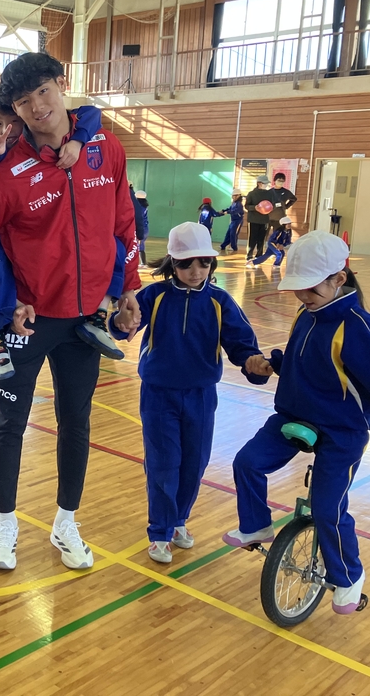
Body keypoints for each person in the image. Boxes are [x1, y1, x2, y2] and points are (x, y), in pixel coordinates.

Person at [0, 53, 141, 571]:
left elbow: (123, 222)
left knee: (76, 423)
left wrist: (129, 286)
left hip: (85, 321)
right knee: (9, 424)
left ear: (61, 85)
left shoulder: (105, 150)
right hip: (28, 321)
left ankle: (66, 523)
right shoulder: (4, 177)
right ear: (13, 110)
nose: (37, 107)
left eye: (43, 91)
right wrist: (7, 303)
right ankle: (4, 526)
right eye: (23, 101)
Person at [223, 230, 370, 615]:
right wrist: (271, 365)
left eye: (310, 288)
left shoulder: (356, 327)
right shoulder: (307, 313)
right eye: (298, 288)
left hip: (342, 431)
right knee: (247, 463)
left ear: (339, 278)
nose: (302, 296)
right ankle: (257, 524)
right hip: (295, 414)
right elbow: (304, 362)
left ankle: (348, 577)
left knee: (328, 509)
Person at [109, 223, 269, 563]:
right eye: (186, 264)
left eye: (203, 262)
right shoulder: (154, 296)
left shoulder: (221, 301)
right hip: (158, 396)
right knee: (163, 463)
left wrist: (253, 363)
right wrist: (120, 321)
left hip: (201, 396)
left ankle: (178, 519)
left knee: (194, 464)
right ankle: (160, 532)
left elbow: (242, 345)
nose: (196, 271)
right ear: (172, 263)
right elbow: (124, 325)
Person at [0, 86, 120, 381]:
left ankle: (100, 313)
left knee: (112, 247)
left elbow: (92, 113)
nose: (7, 130)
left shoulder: (71, 140)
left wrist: (78, 141)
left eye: (13, 122)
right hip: (4, 237)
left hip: (58, 271)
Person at [244, 174, 274, 261]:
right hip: (253, 220)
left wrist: (270, 208)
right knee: (252, 238)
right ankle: (249, 255)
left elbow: (272, 205)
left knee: (262, 238)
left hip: (264, 220)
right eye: (265, 183)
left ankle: (259, 255)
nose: (266, 185)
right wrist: (255, 207)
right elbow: (246, 206)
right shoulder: (251, 194)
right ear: (259, 183)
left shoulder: (269, 194)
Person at [220, 190, 244, 254]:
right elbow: (230, 208)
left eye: (235, 196)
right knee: (229, 233)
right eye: (233, 196)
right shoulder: (234, 203)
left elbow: (235, 211)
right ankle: (223, 246)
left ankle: (234, 247)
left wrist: (227, 212)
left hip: (238, 221)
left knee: (233, 234)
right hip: (233, 221)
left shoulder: (239, 204)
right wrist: (223, 210)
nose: (233, 197)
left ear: (238, 196)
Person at [136, 190, 150, 266]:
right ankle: (142, 263)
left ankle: (143, 263)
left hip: (141, 228)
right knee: (140, 246)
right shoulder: (144, 206)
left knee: (139, 246)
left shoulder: (139, 208)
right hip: (145, 228)